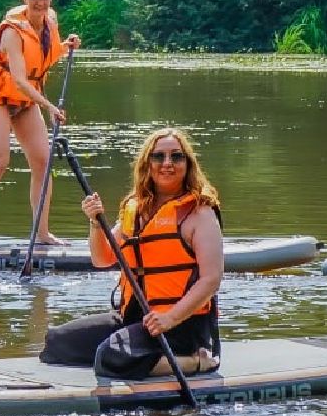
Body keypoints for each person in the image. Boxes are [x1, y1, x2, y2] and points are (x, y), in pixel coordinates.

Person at [39, 128, 224, 379]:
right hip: (134, 319)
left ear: (187, 164)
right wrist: (95, 223)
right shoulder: (135, 208)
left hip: (181, 325)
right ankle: (127, 358)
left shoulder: (200, 213)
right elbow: (102, 259)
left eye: (176, 157)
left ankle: (195, 361)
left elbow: (211, 279)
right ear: (147, 164)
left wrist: (169, 318)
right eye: (158, 157)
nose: (167, 164)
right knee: (56, 343)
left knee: (110, 356)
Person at [0, 0, 81, 249]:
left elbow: (44, 58)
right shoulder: (12, 32)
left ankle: (42, 233)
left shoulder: (50, 23)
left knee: (42, 161)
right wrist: (49, 106)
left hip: (25, 103)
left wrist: (66, 46)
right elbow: (19, 79)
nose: (40, 2)